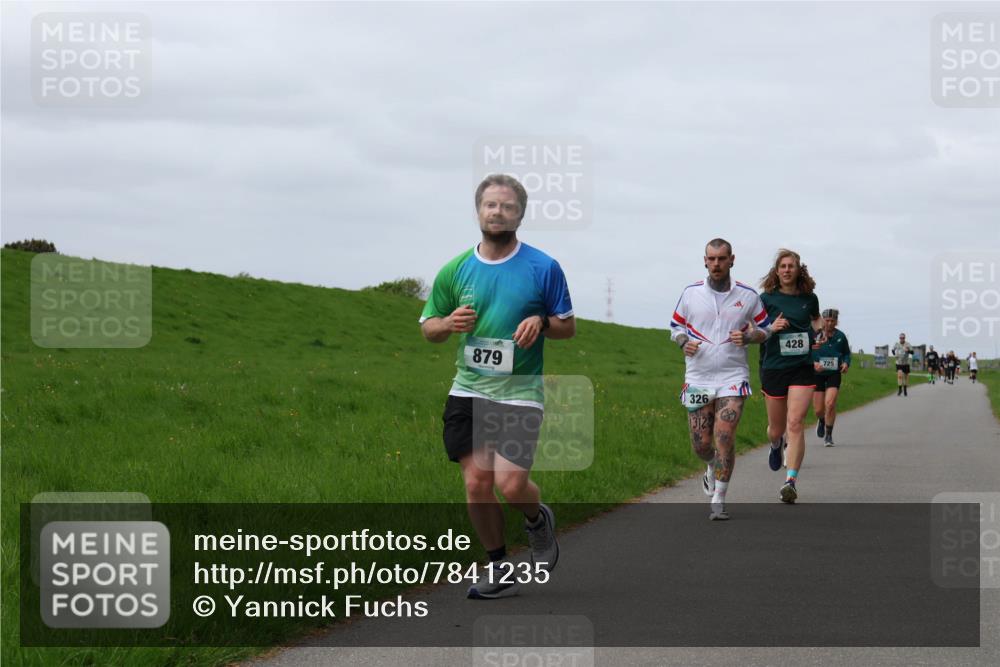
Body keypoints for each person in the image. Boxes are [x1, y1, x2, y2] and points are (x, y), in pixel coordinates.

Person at [420, 174, 575, 599]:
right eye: (490, 205)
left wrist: (542, 322)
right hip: (468, 389)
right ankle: (498, 567)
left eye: (507, 206)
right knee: (476, 483)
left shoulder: (543, 267)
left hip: (521, 392)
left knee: (510, 485)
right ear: (478, 210)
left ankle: (536, 520)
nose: (498, 212)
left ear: (520, 214)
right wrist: (448, 324)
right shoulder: (456, 269)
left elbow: (567, 326)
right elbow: (429, 328)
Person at [670, 238, 773, 520]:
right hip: (698, 376)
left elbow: (766, 329)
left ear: (732, 260)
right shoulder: (690, 294)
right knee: (701, 444)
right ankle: (711, 466)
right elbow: (675, 326)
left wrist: (750, 336)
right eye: (711, 259)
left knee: (724, 435)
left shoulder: (749, 296)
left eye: (722, 259)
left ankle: (719, 498)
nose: (716, 264)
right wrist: (682, 342)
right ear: (705, 261)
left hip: (732, 376)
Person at [758, 249, 822, 504]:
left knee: (795, 423)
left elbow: (816, 320)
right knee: (776, 429)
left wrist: (819, 335)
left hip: (802, 366)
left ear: (798, 270)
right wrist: (772, 328)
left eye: (791, 266)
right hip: (773, 366)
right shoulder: (765, 298)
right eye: (782, 266)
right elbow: (752, 328)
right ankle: (776, 445)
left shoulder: (809, 298)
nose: (786, 270)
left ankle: (791, 481)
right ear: (777, 270)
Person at [812, 309, 851, 447]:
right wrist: (813, 363)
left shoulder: (840, 336)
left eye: (832, 321)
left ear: (836, 321)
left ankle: (828, 435)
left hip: (834, 373)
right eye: (827, 320)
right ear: (822, 320)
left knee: (830, 403)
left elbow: (846, 353)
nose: (829, 323)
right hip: (817, 374)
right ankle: (822, 420)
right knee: (818, 409)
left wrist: (846, 363)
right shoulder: (815, 335)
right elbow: (805, 351)